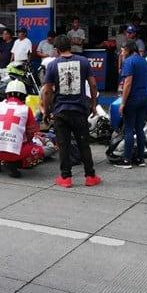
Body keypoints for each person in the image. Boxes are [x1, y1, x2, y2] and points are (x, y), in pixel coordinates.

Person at [41, 34, 102, 188]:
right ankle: (90, 176)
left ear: (56, 49)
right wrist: (93, 104)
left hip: (61, 111)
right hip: (80, 110)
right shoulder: (83, 61)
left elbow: (47, 91)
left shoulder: (53, 65)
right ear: (70, 46)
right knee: (83, 145)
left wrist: (47, 111)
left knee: (64, 145)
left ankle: (66, 178)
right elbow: (93, 84)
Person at [0, 80, 44, 178]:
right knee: (38, 149)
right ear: (23, 96)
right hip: (14, 153)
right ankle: (13, 164)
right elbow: (31, 132)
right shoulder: (26, 109)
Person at [113, 41, 147, 169]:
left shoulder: (129, 62)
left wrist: (123, 103)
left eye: (123, 50)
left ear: (128, 50)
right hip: (143, 97)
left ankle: (126, 160)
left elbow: (127, 83)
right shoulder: (143, 61)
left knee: (129, 129)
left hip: (132, 98)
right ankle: (141, 158)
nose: (121, 53)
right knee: (139, 129)